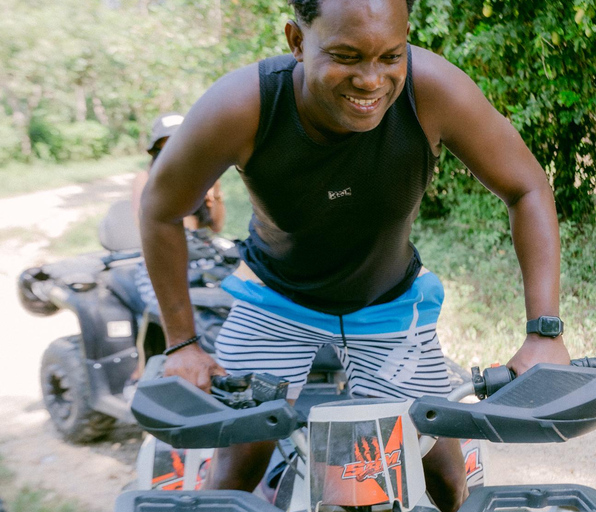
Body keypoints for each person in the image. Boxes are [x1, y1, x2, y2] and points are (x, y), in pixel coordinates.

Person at [138, 1, 570, 511]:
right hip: (275, 301)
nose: (370, 80)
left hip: (389, 304)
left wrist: (544, 334)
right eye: (345, 56)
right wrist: (183, 344)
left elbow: (527, 187)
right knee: (236, 469)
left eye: (391, 56)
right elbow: (160, 209)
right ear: (297, 41)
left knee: (448, 479)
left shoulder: (433, 90)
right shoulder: (244, 106)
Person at [133, 112, 227, 308]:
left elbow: (217, 226)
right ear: (157, 149)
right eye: (168, 145)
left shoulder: (203, 175)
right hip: (166, 262)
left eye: (181, 142)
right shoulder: (146, 179)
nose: (176, 150)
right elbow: (146, 228)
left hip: (204, 258)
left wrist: (216, 193)